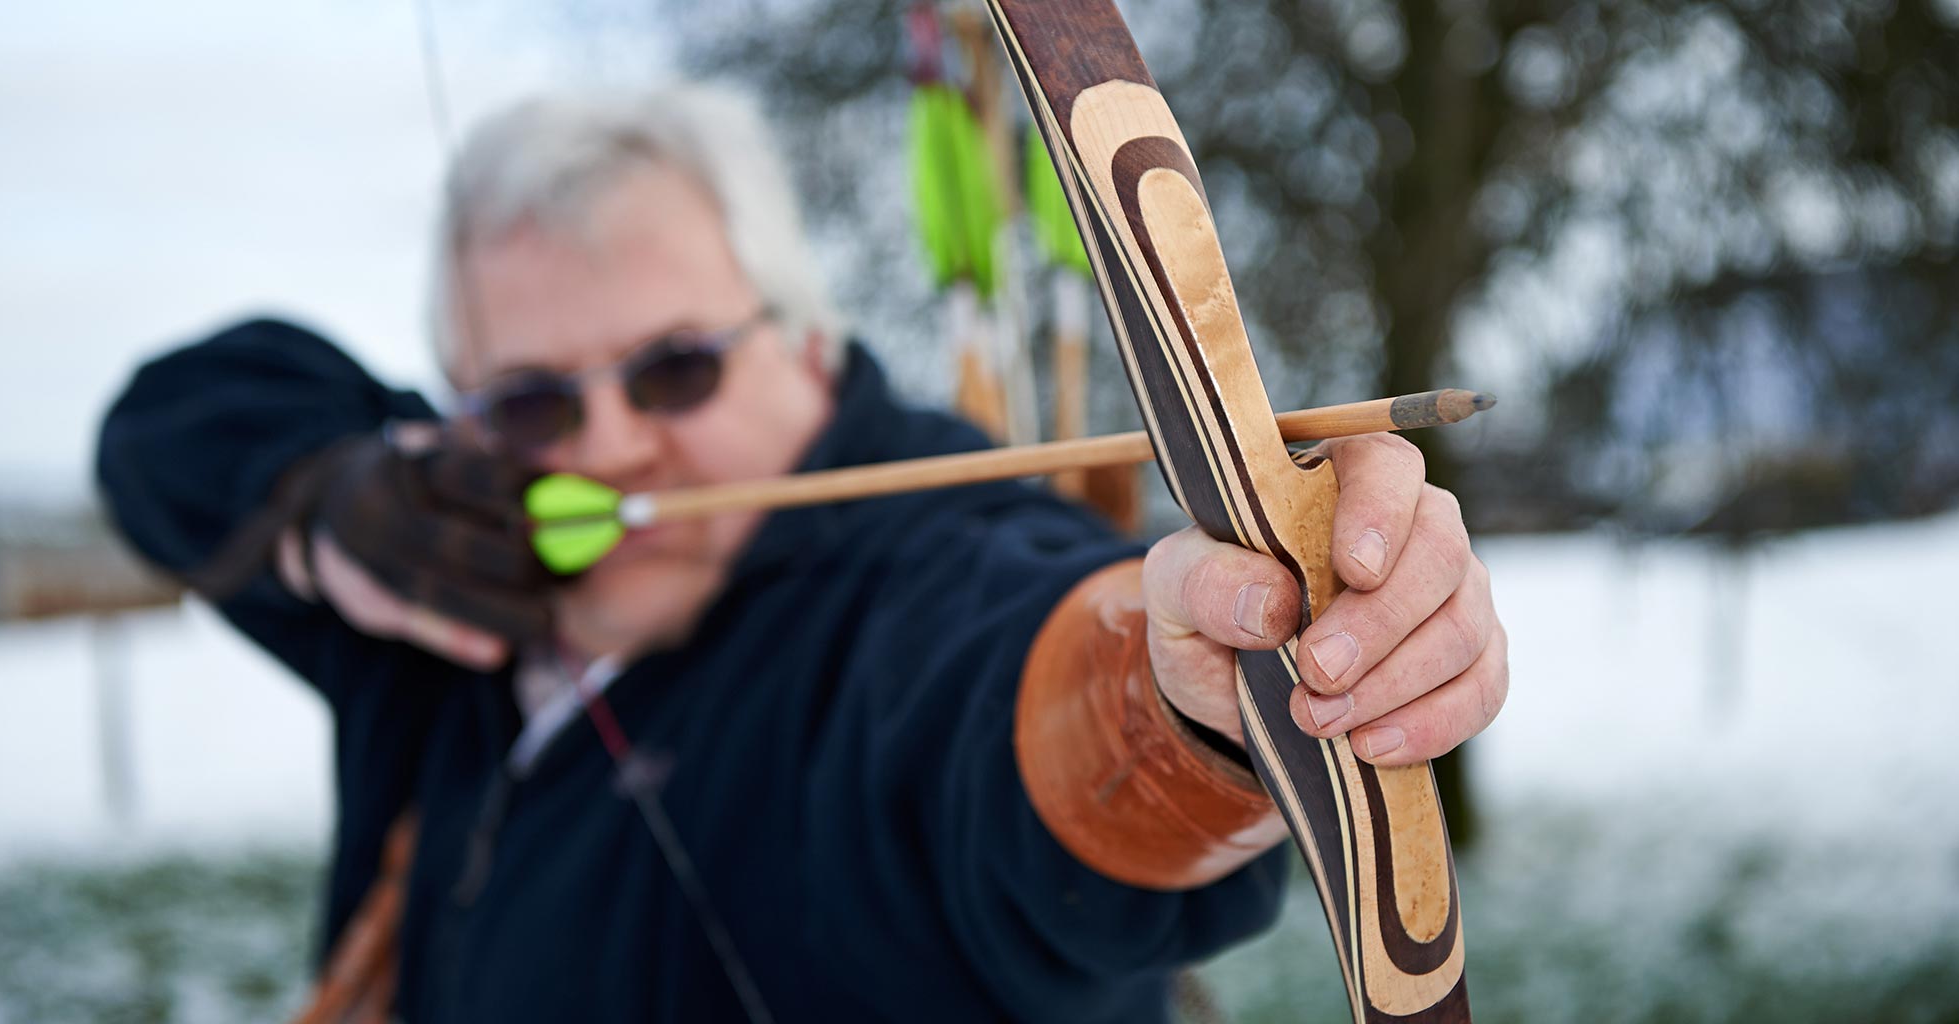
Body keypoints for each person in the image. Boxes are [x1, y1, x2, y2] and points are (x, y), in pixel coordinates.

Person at [97, 84, 1507, 1022]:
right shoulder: (443, 593)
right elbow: (170, 428)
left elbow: (1029, 701)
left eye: (673, 372)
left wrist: (1197, 684)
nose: (604, 447)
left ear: (811, 343)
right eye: (531, 401)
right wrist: (330, 502)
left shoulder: (920, 570)